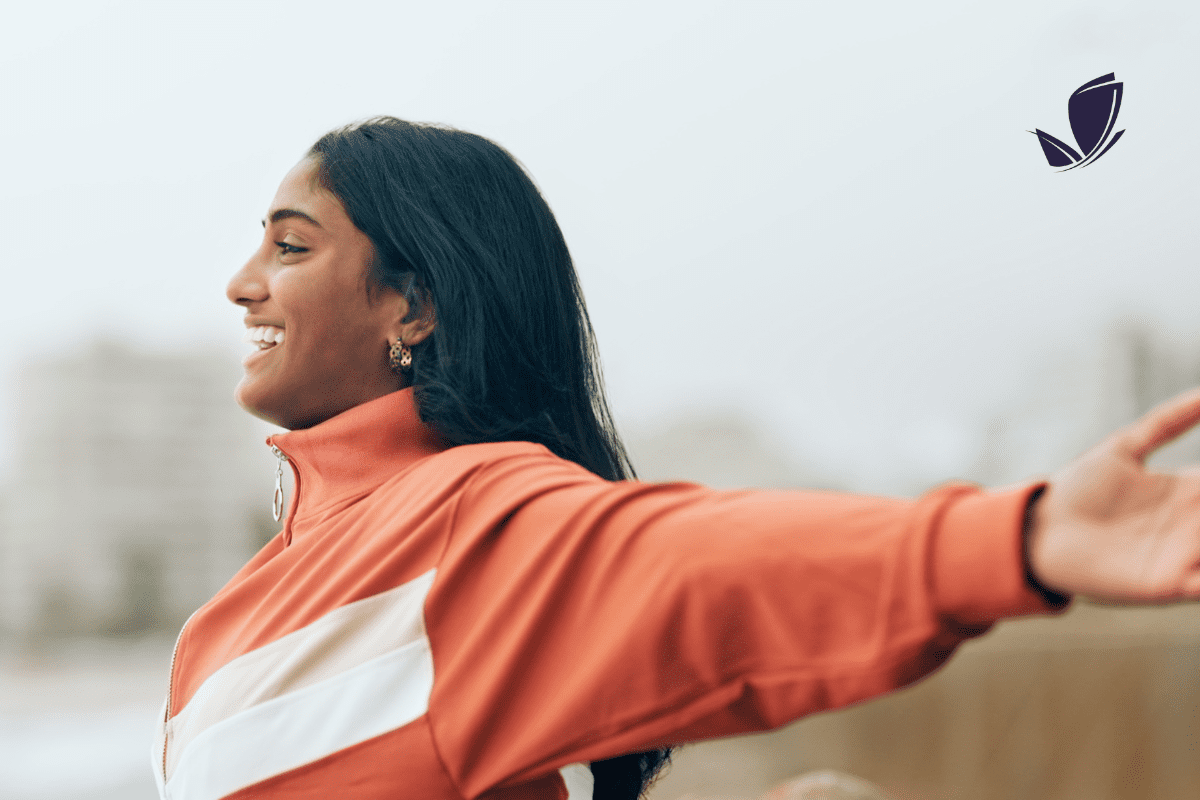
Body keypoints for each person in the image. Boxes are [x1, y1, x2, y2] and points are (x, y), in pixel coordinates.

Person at [153, 116, 1200, 800]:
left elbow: (698, 565)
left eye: (291, 245)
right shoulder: (226, 619)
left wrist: (1019, 537)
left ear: (413, 304)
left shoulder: (474, 519)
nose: (242, 282)